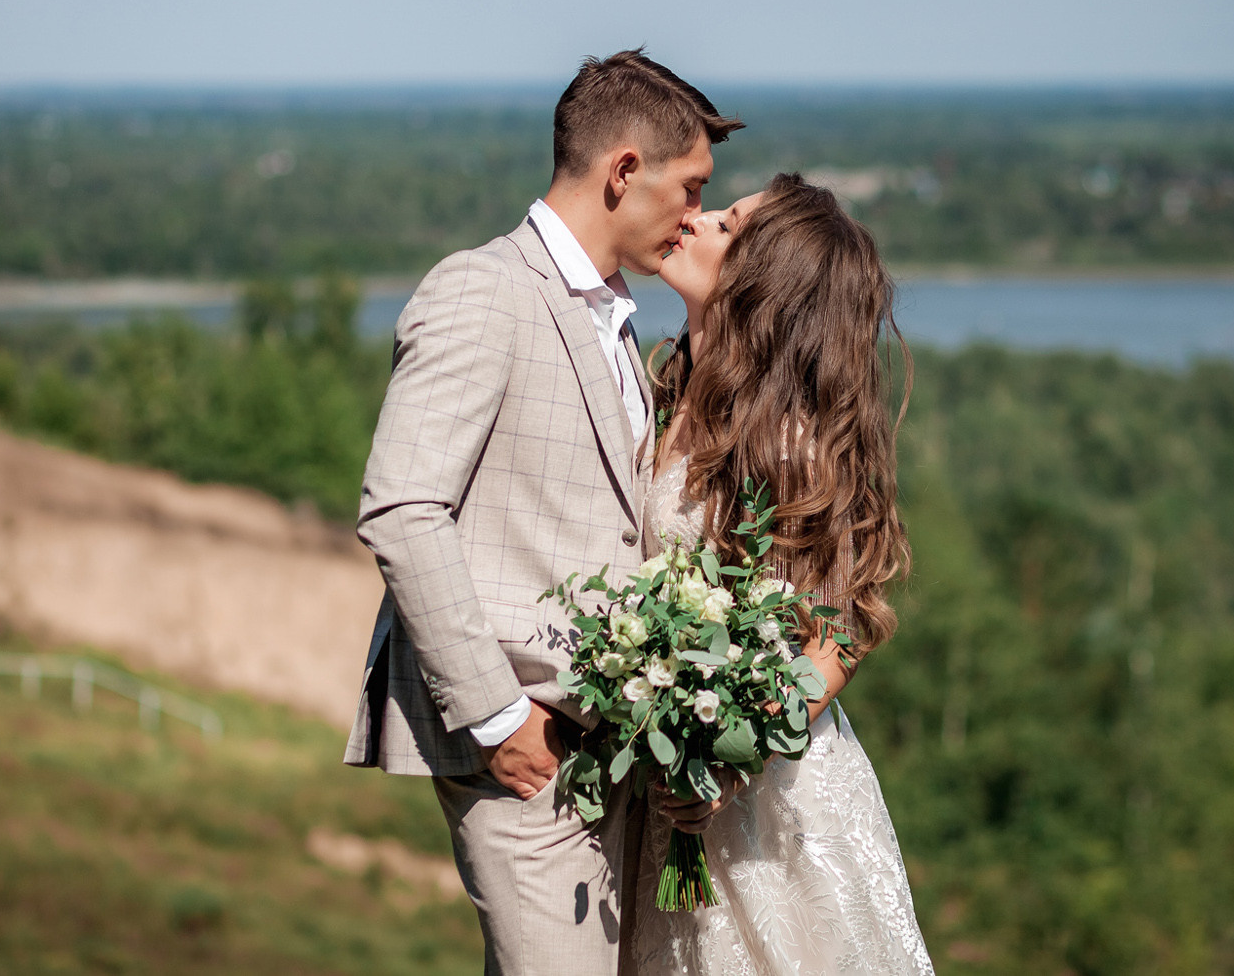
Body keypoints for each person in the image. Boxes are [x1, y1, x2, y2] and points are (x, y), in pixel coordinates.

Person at [344, 49, 744, 976]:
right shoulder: (482, 289)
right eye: (690, 188)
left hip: (605, 752)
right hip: (518, 754)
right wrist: (493, 717)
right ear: (623, 172)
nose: (695, 215)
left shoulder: (613, 312)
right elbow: (402, 509)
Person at [627, 172, 936, 975]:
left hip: (768, 806)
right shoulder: (664, 389)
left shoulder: (787, 442)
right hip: (666, 793)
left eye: (724, 225)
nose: (693, 219)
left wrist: (729, 759)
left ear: (761, 288)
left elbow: (835, 637)